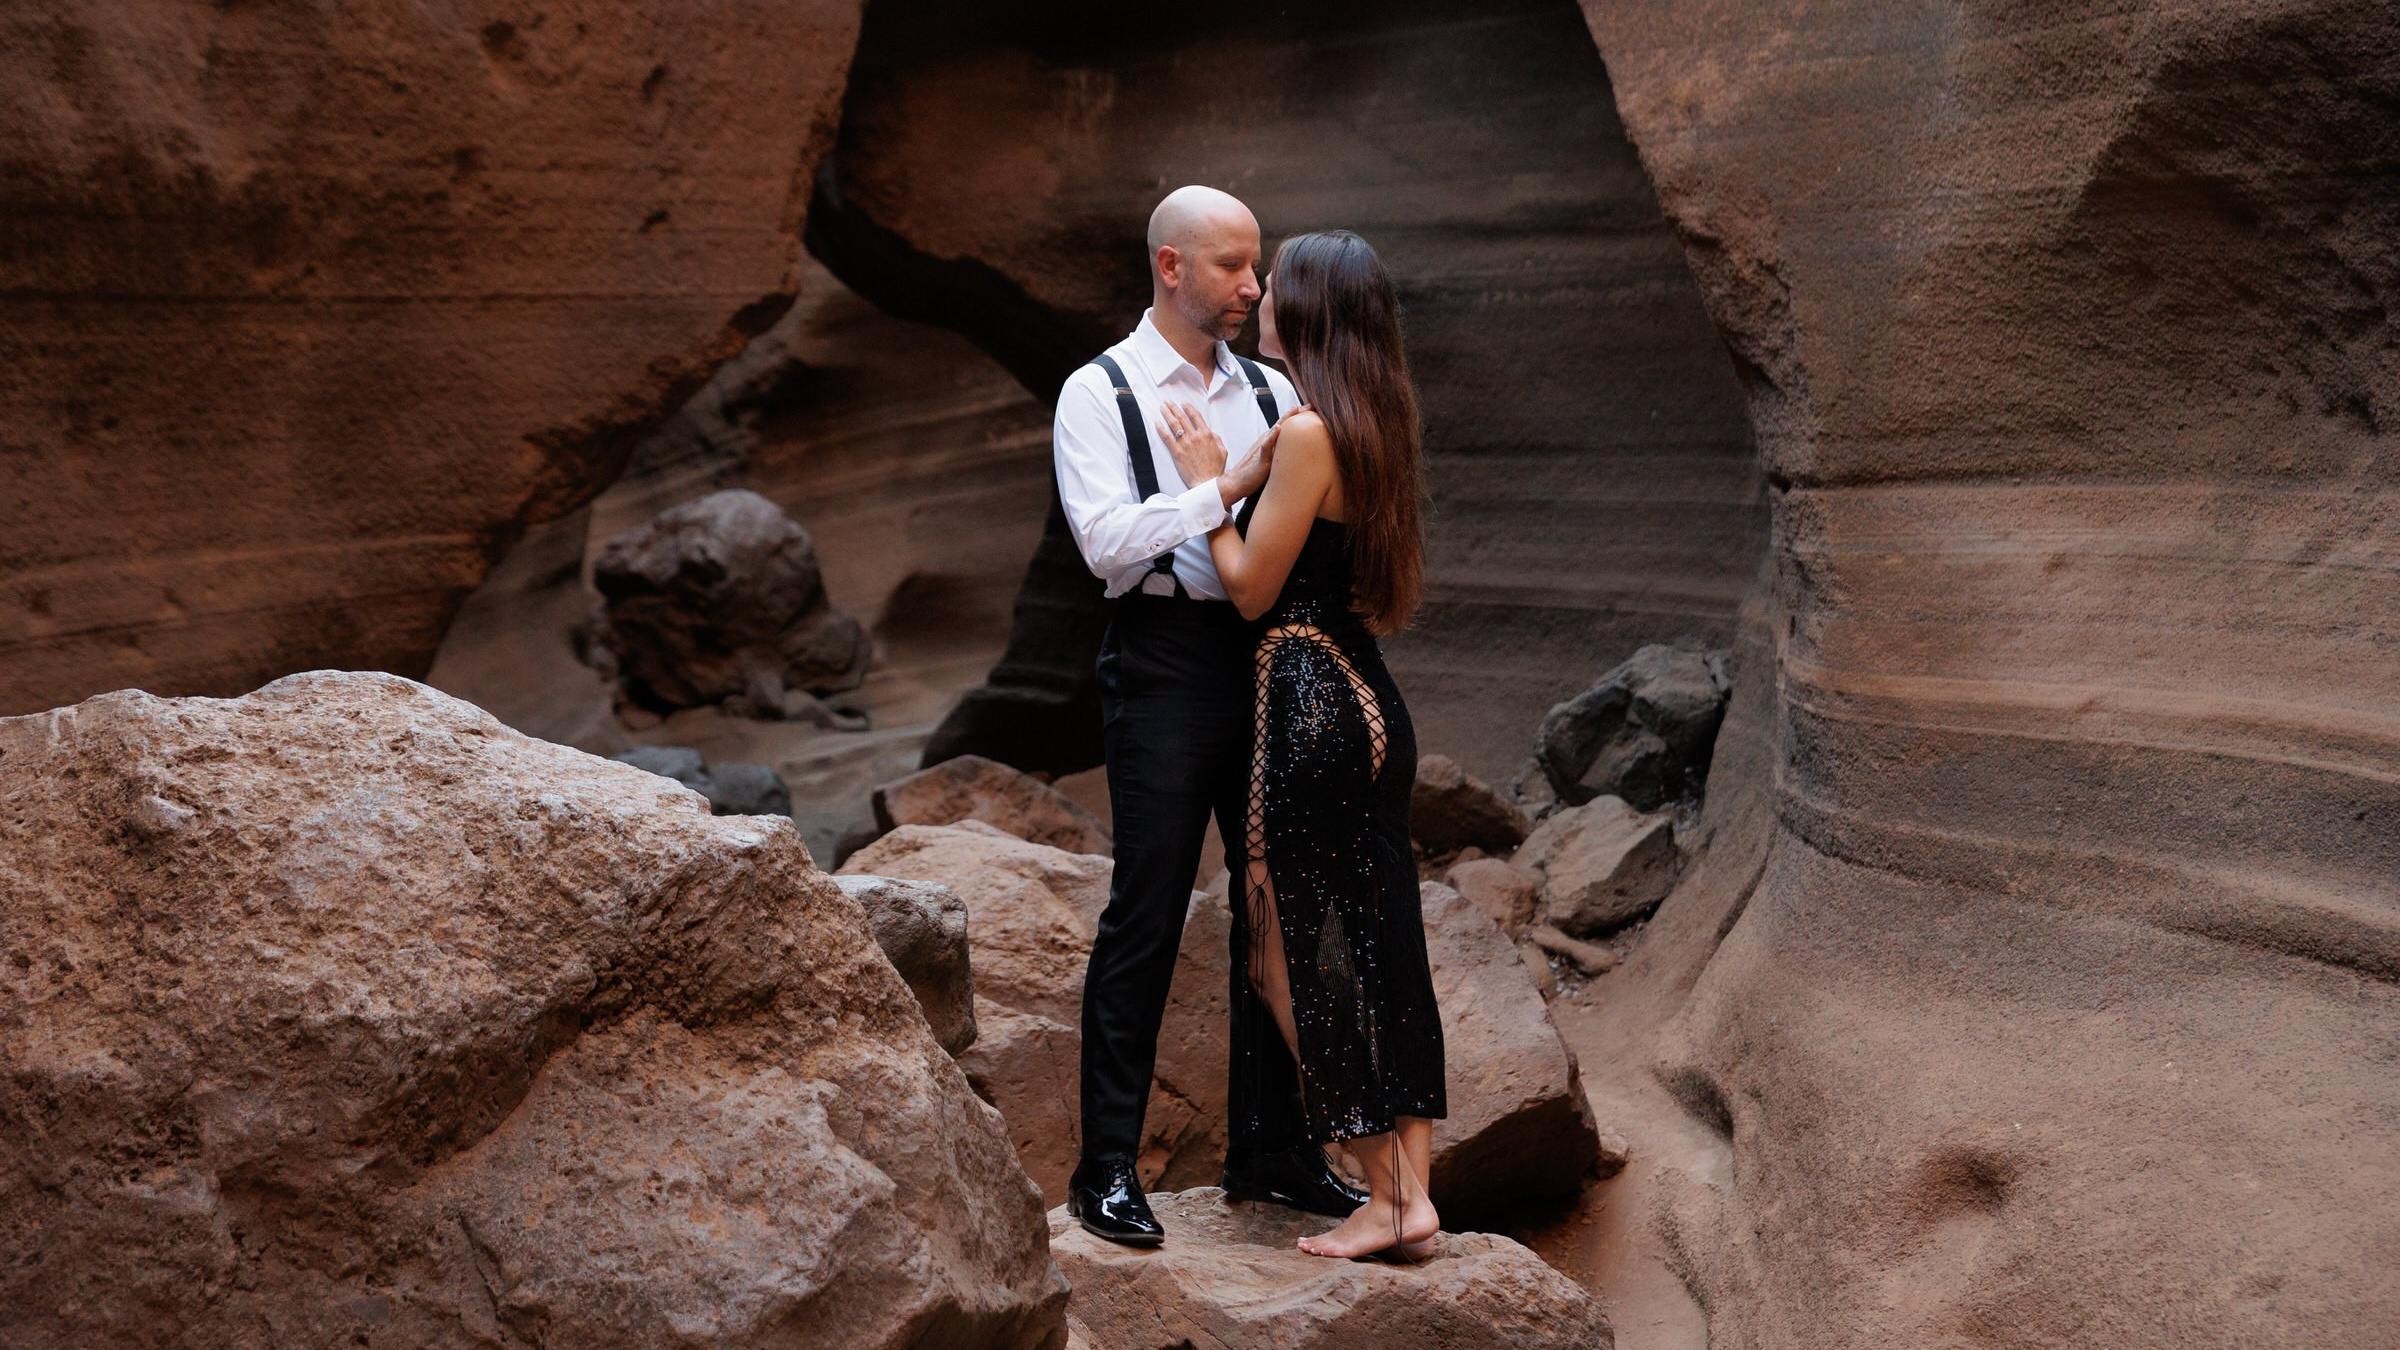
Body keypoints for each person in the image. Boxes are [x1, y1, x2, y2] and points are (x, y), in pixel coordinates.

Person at [1056, 187, 1370, 1247]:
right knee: (1145, 908)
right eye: (1232, 266)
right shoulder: (1099, 391)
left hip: (1268, 654)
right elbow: (1104, 545)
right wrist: (1221, 487)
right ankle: (1105, 1168)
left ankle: (1274, 1150)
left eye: (1256, 265)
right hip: (1162, 661)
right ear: (1170, 266)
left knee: (1274, 906)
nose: (1252, 286)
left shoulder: (1275, 385)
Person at [1159, 228, 1446, 1260]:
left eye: (1273, 284)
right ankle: (1414, 1196)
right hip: (1375, 703)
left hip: (1306, 697)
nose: (1257, 294)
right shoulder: (1376, 424)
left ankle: (1391, 1195)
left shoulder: (1312, 433)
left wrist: (1205, 485)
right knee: (1386, 944)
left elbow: (1249, 592)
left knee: (1280, 953)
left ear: (1309, 310)